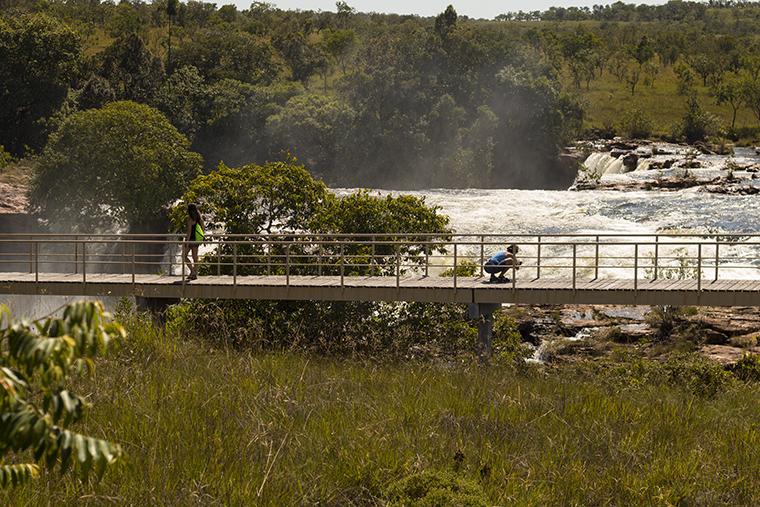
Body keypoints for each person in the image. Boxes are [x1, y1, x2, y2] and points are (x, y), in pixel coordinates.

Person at [183, 203, 205, 280]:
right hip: (196, 240)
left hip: (191, 240)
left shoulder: (190, 218)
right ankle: (194, 274)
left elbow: (189, 231)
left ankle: (192, 271)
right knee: (195, 257)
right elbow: (203, 229)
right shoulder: (199, 218)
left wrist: (187, 242)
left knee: (184, 256)